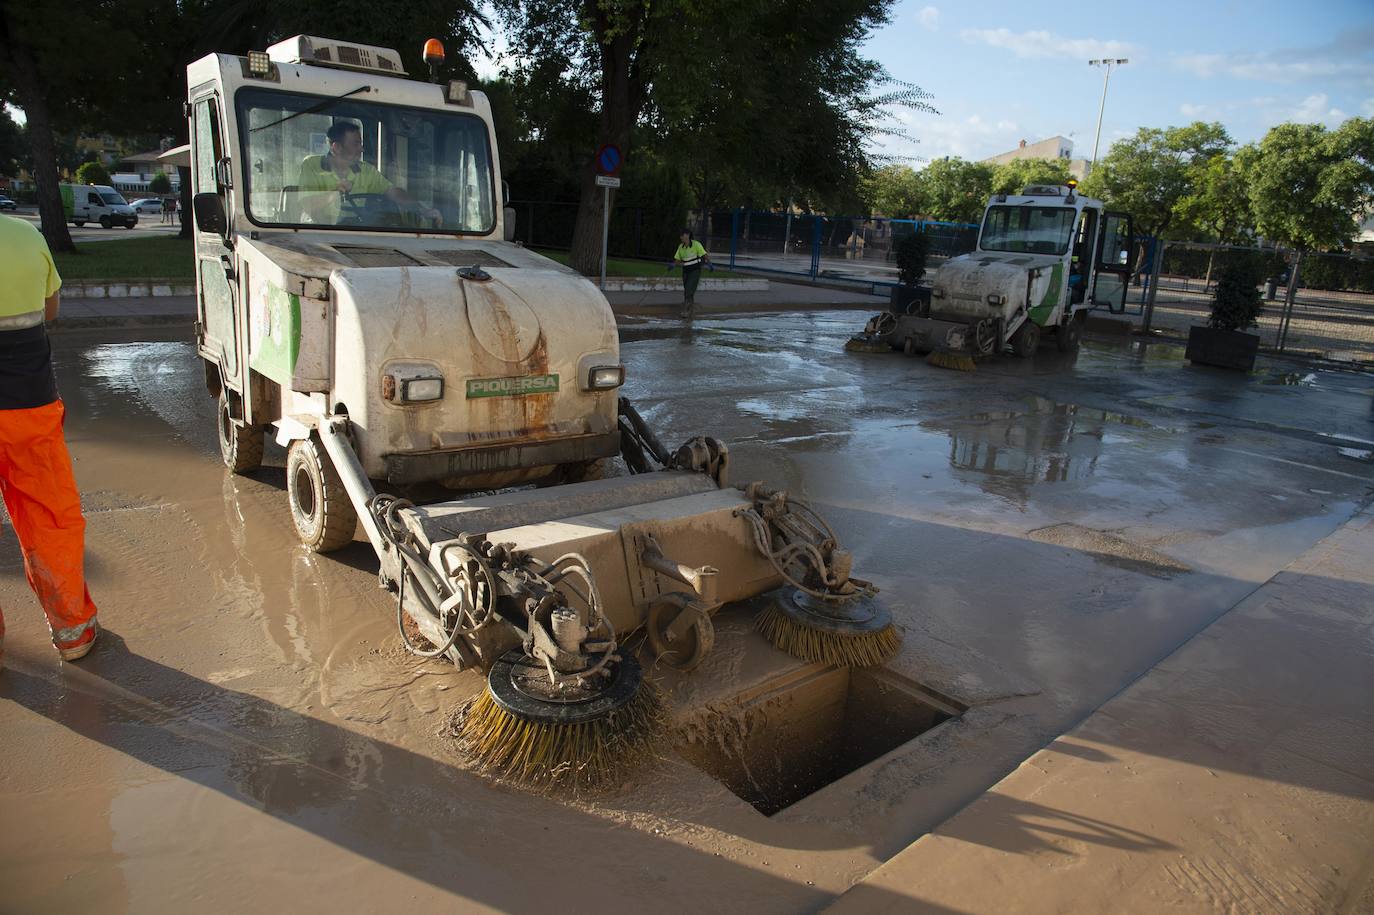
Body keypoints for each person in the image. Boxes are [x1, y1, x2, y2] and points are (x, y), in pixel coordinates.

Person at [0, 215, 100, 669]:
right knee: (48, 516)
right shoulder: (24, 235)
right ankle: (72, 631)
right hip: (27, 403)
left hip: (27, 402)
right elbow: (51, 310)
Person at [294, 121, 440, 225]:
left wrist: (422, 209)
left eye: (361, 143)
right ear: (336, 147)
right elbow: (308, 205)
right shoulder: (312, 165)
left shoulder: (365, 170)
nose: (361, 149)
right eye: (356, 143)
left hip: (355, 232)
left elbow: (393, 192)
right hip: (315, 234)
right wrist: (335, 193)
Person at [671, 229, 712, 320]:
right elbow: (678, 258)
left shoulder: (696, 244)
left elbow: (704, 254)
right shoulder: (681, 247)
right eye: (681, 236)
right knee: (688, 290)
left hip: (695, 271)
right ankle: (691, 309)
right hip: (686, 271)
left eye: (684, 235)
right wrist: (673, 264)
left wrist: (709, 264)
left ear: (688, 235)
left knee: (689, 289)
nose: (682, 237)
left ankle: (685, 311)